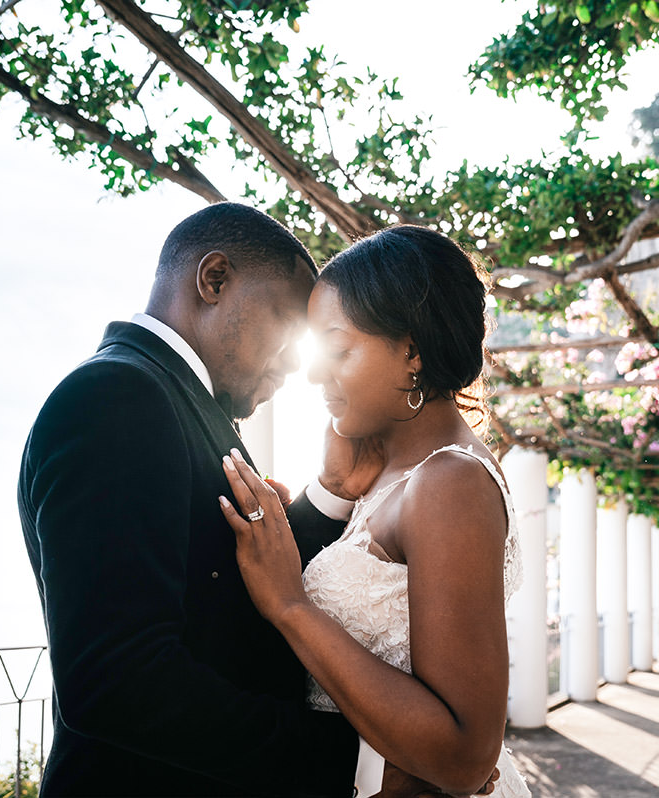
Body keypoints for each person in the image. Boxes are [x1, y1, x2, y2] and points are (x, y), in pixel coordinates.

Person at [18, 202, 377, 796]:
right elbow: (118, 683)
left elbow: (224, 582)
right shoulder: (118, 396)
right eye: (289, 323)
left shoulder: (170, 396)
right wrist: (354, 763)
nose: (297, 361)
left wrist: (331, 493)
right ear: (214, 280)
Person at [219, 226, 532, 798]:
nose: (314, 374)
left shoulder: (449, 483)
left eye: (337, 350)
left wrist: (290, 605)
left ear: (411, 350)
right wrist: (333, 490)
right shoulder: (390, 472)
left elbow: (465, 757)